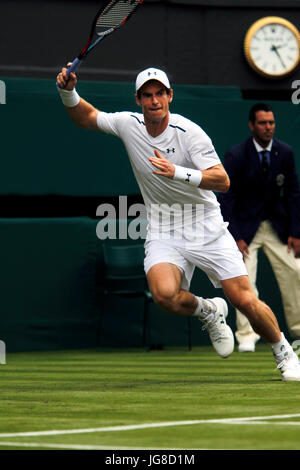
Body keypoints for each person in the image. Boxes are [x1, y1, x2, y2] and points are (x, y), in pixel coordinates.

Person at [56, 65, 300, 381]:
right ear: (138, 99)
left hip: (206, 225)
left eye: (160, 93)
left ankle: (283, 351)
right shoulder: (127, 125)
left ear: (170, 96)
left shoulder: (190, 133)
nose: (154, 100)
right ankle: (208, 310)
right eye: (148, 95)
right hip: (163, 229)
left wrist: (177, 172)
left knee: (243, 298)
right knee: (164, 295)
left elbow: (223, 181)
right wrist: (67, 90)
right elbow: (86, 116)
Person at [219, 103, 300, 353]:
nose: (268, 127)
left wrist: (296, 233)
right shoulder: (236, 155)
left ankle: (297, 330)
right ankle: (246, 336)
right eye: (263, 123)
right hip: (246, 230)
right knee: (243, 279)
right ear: (252, 125)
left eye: (272, 122)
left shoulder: (284, 152)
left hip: (278, 227)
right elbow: (227, 197)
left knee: (296, 272)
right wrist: (236, 236)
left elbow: (294, 193)